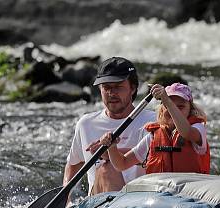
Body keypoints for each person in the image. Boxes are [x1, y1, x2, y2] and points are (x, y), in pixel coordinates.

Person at [63, 56, 156, 195]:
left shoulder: (152, 121)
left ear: (133, 88)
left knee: (112, 164)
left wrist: (113, 154)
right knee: (108, 169)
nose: (112, 93)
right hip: (98, 205)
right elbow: (74, 163)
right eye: (106, 87)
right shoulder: (85, 124)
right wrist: (67, 200)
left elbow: (161, 161)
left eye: (118, 87)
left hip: (140, 200)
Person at [104, 83, 209, 175]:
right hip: (161, 194)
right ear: (162, 110)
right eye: (168, 106)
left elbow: (186, 132)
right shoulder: (153, 136)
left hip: (189, 193)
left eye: (180, 106)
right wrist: (112, 147)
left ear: (190, 110)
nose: (173, 110)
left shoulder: (198, 128)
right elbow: (122, 164)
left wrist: (167, 101)